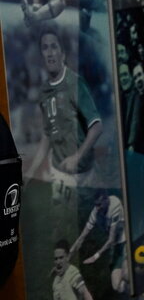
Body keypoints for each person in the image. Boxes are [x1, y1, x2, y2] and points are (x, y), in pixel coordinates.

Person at [25, 28, 103, 207]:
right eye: (45, 48)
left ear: (63, 54)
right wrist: (32, 170)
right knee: (60, 217)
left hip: (84, 172)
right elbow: (48, 134)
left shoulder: (74, 83)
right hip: (59, 172)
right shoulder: (43, 92)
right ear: (41, 56)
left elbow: (97, 126)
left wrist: (77, 156)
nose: (50, 52)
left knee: (89, 217)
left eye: (54, 47)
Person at [69, 191, 129, 295]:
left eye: (99, 204)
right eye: (96, 204)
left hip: (125, 241)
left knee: (127, 274)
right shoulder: (95, 213)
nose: (97, 208)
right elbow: (82, 236)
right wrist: (69, 255)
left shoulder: (115, 205)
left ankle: (143, 285)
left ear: (106, 200)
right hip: (116, 247)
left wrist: (95, 256)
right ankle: (140, 295)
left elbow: (111, 239)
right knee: (116, 286)